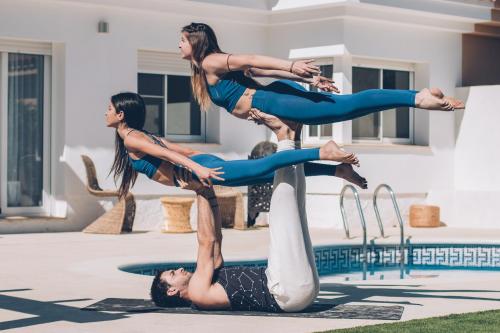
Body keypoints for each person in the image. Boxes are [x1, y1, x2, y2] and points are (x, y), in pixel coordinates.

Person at [150, 115, 337, 312]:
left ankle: (293, 136)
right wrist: (199, 189)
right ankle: (286, 137)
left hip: (296, 289)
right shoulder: (197, 292)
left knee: (294, 207)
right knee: (282, 211)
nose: (179, 270)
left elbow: (216, 237)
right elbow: (206, 241)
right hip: (286, 290)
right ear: (172, 291)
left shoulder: (207, 280)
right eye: (173, 274)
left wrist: (208, 193)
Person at [179, 22, 465, 125]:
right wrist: (307, 78)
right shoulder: (209, 68)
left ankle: (418, 98)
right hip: (272, 97)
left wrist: (292, 66)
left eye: (182, 40)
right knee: (343, 108)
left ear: (195, 42)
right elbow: (256, 69)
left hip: (270, 101)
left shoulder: (211, 62)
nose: (179, 44)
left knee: (345, 107)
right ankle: (416, 97)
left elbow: (252, 58)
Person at [106, 92, 367, 199]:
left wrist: (201, 171)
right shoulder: (141, 135)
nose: (105, 113)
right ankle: (335, 171)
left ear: (121, 115)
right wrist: (204, 162)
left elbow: (167, 155)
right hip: (200, 165)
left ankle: (323, 151)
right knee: (267, 173)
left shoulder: (131, 138)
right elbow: (180, 150)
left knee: (263, 167)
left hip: (197, 171)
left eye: (109, 109)